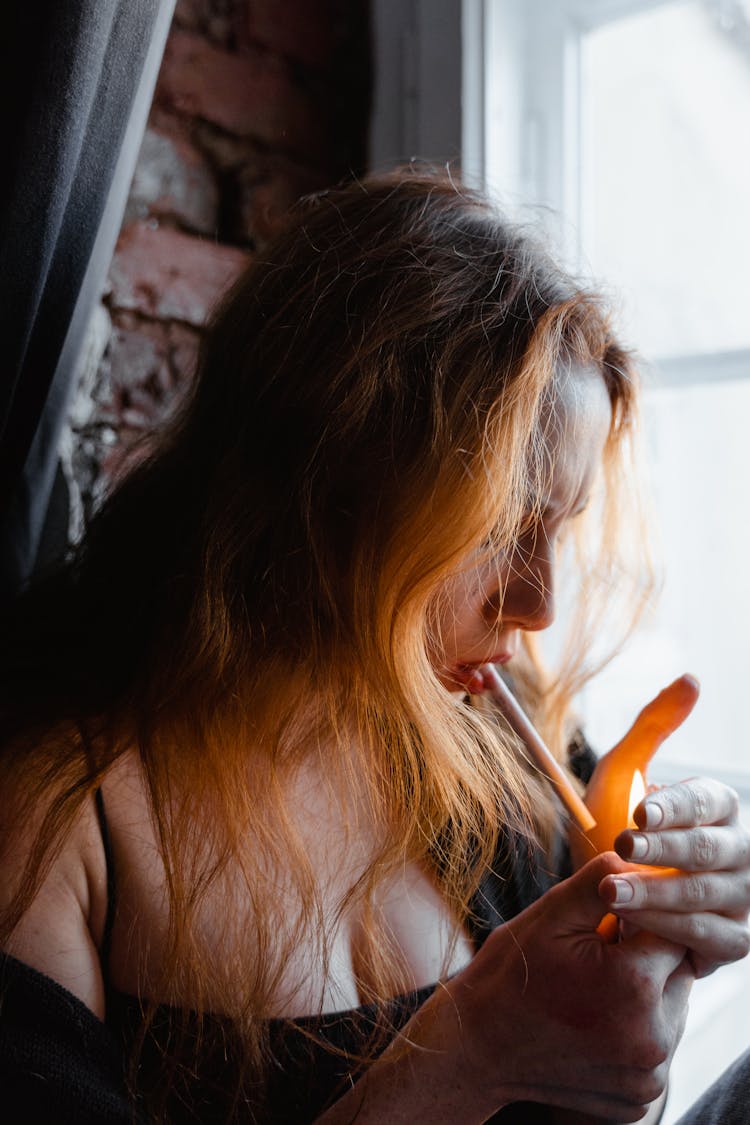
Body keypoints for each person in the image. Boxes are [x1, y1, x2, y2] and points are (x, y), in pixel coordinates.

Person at [0, 168, 748, 1125]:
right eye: (497, 525)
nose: (539, 604)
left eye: (558, 527)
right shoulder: (60, 823)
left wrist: (692, 878)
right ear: (331, 485)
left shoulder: (498, 748)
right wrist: (466, 1057)